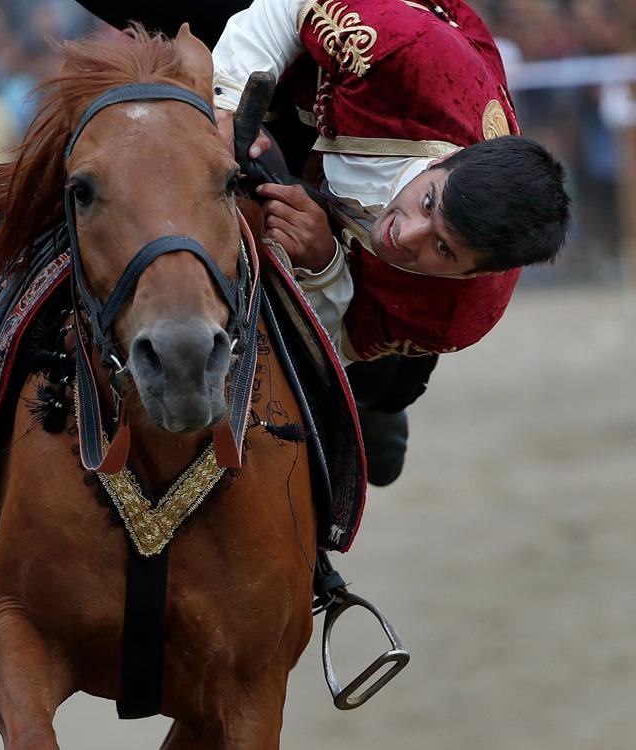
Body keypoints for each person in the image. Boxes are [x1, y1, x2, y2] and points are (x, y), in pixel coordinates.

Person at [208, 0, 570, 483]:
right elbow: (292, 6)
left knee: (385, 380)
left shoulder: (457, 311)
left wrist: (323, 263)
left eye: (443, 249)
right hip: (326, 81)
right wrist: (227, 102)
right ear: (446, 162)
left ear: (472, 274)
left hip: (358, 268)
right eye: (427, 204)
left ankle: (375, 410)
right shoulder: (409, 55)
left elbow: (341, 341)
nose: (405, 236)